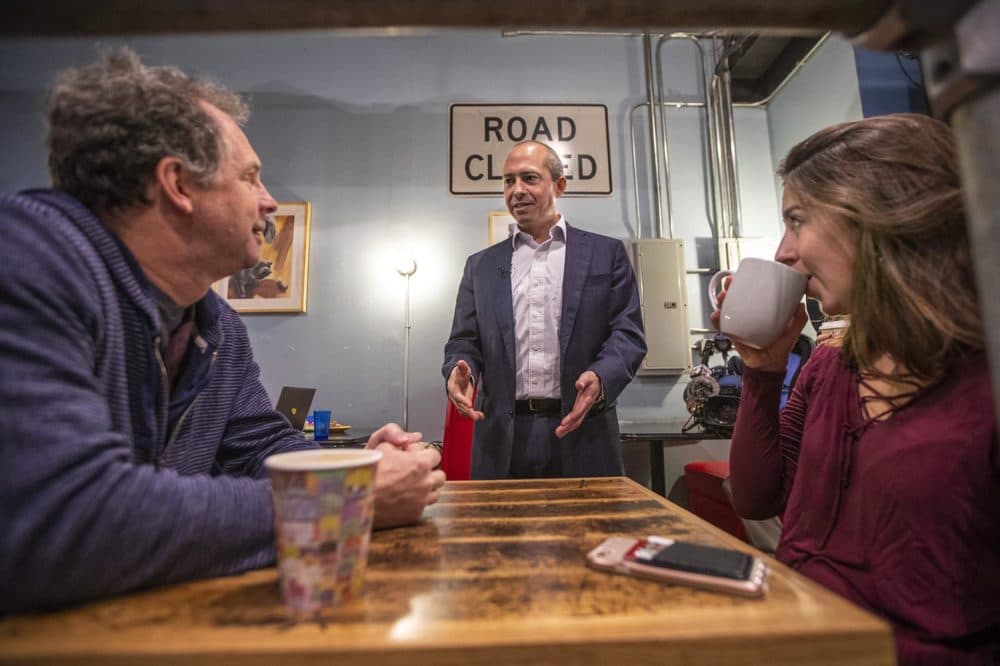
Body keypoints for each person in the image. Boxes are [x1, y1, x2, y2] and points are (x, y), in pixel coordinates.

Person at [0, 48, 445, 615]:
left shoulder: (217, 325)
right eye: (252, 177)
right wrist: (353, 499)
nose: (268, 202)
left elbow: (257, 447)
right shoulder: (26, 259)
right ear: (178, 184)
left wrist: (353, 466)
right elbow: (66, 521)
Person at [717, 114, 999, 664]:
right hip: (801, 642)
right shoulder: (830, 364)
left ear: (878, 217)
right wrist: (762, 371)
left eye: (796, 221)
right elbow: (755, 498)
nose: (782, 253)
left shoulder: (980, 385)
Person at [443, 141, 646, 479]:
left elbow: (628, 334)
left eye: (529, 178)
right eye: (509, 181)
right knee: (500, 532)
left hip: (583, 432)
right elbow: (463, 341)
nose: (517, 190)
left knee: (590, 532)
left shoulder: (605, 254)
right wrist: (457, 370)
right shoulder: (480, 266)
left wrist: (600, 377)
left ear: (560, 185)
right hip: (500, 441)